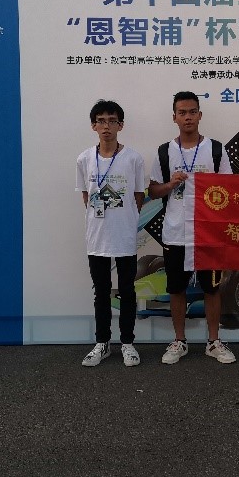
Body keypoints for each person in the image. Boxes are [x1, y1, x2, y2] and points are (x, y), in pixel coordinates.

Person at [147, 91, 237, 364]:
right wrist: (170, 184)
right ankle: (179, 341)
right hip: (176, 232)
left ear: (200, 115)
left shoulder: (216, 149)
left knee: (212, 288)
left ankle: (213, 341)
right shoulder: (164, 152)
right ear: (174, 117)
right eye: (182, 112)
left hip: (209, 233)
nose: (188, 117)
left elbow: (230, 188)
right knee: (177, 288)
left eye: (192, 112)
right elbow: (153, 191)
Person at [75, 99, 147, 367]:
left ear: (121, 125)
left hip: (124, 236)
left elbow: (138, 196)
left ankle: (127, 343)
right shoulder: (84, 159)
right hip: (97, 237)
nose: (106, 126)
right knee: (101, 292)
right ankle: (102, 343)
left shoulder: (134, 158)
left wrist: (124, 218)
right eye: (101, 121)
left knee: (127, 291)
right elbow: (86, 195)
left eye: (112, 121)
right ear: (93, 126)